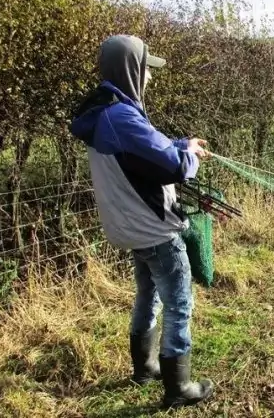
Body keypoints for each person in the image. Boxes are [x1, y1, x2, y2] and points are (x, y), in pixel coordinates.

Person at [69, 34, 213, 409]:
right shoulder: (122, 115)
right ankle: (178, 387)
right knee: (179, 303)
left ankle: (145, 368)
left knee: (147, 295)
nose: (151, 77)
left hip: (131, 226)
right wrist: (190, 156)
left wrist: (183, 142)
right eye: (148, 69)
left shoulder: (107, 110)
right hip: (153, 229)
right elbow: (175, 167)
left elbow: (150, 150)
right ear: (132, 68)